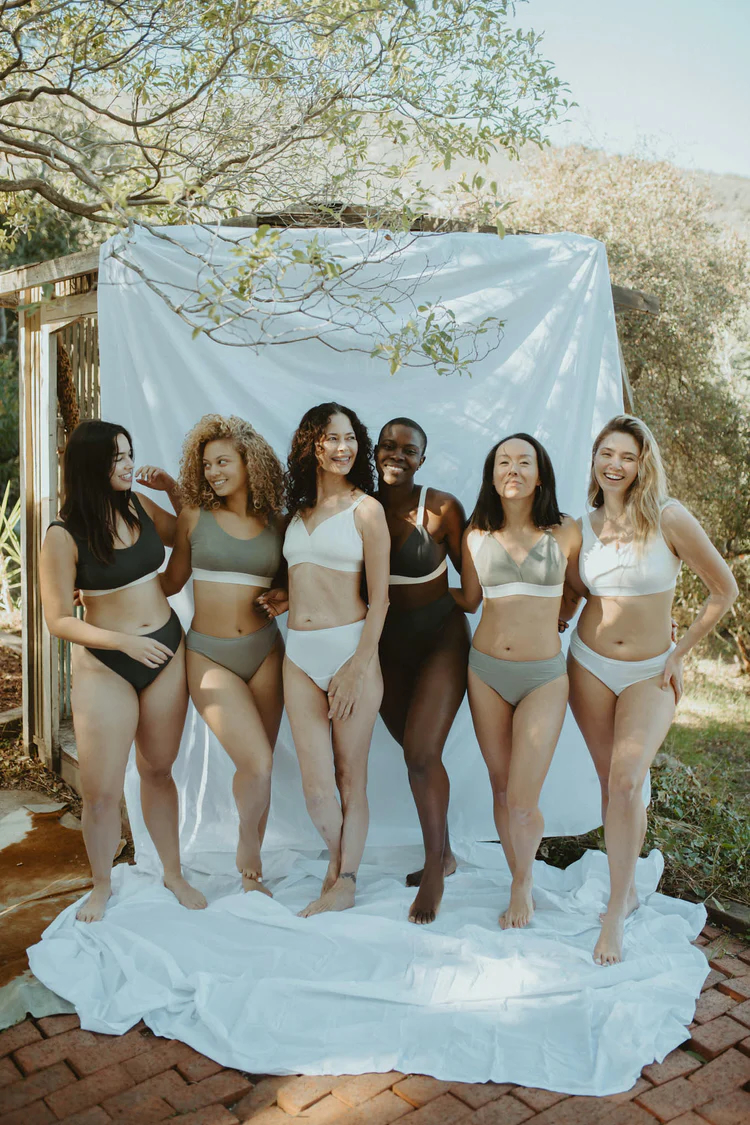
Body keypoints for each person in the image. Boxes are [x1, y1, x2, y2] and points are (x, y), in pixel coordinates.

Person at [562, 414, 738, 965]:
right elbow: (571, 595)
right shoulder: (580, 528)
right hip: (587, 665)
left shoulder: (669, 518)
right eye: (606, 454)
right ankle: (628, 885)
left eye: (627, 457)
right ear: (594, 459)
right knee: (608, 782)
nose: (615, 465)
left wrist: (678, 653)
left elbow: (723, 590)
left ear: (643, 464)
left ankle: (616, 910)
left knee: (627, 775)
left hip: (649, 671)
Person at [39, 420, 206, 922]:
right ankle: (101, 885)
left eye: (130, 453)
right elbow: (58, 619)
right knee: (102, 790)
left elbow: (183, 534)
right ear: (91, 465)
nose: (129, 465)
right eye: (118, 458)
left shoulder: (135, 503)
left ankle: (172, 873)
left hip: (164, 648)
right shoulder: (62, 534)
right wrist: (125, 643)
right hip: (109, 660)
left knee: (158, 769)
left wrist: (174, 491)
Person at [260, 403, 389, 916]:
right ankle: (339, 870)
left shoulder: (367, 509)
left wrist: (358, 666)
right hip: (299, 656)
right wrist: (285, 599)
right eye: (331, 438)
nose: (343, 448)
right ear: (311, 444)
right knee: (316, 788)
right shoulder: (297, 514)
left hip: (350, 652)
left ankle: (344, 881)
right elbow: (309, 576)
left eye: (351, 438)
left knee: (348, 776)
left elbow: (379, 598)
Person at [154, 415, 285, 895]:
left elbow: (293, 581)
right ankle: (247, 848)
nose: (213, 471)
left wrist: (286, 597)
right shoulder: (193, 517)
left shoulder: (279, 521)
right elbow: (170, 583)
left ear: (251, 463)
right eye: (207, 464)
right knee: (258, 763)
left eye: (223, 461)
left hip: (267, 651)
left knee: (262, 763)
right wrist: (109, 593)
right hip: (209, 655)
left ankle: (253, 873)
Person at [454, 434, 581, 929]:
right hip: (485, 672)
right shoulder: (474, 534)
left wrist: (563, 616)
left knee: (524, 798)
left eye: (523, 461)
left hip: (544, 677)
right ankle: (517, 874)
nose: (513, 468)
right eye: (503, 461)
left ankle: (522, 884)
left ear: (540, 474)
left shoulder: (567, 531)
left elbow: (587, 589)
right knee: (501, 785)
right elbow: (467, 600)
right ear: (491, 475)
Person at [374, 417, 469, 924]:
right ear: (374, 451)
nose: (397, 455)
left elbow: (472, 594)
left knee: (421, 752)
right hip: (385, 649)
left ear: (422, 460)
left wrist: (428, 600)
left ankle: (435, 868)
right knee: (413, 755)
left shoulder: (443, 508)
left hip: (440, 641)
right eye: (388, 445)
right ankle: (447, 851)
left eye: (408, 450)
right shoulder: (358, 507)